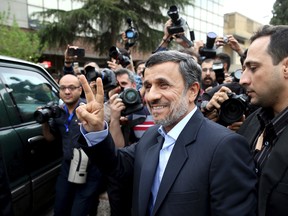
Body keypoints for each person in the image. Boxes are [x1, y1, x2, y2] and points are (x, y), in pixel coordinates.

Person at [76, 50, 257, 216]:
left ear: (192, 91)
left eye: (163, 85)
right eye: (148, 86)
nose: (151, 96)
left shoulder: (225, 147)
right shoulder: (151, 136)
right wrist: (96, 130)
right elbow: (116, 166)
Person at [237, 25, 288, 216]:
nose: (243, 79)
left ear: (286, 68)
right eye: (244, 69)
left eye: (253, 68)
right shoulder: (251, 122)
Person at [41, 74, 104, 216]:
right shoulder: (57, 112)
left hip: (90, 167)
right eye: (63, 88)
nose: (67, 92)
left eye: (71, 88)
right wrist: (44, 121)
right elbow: (50, 138)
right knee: (60, 209)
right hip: (68, 165)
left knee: (81, 210)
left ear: (80, 90)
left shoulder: (89, 109)